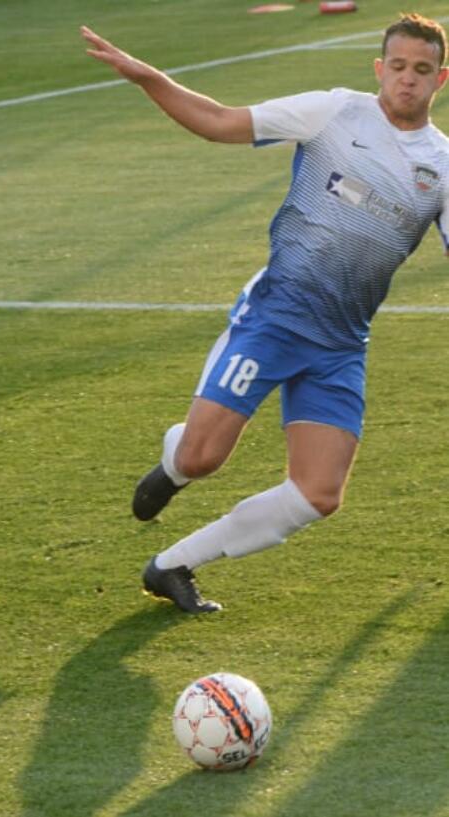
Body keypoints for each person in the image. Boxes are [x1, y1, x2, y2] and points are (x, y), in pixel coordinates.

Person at [82, 14, 449, 613]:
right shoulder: (333, 113)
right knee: (203, 458)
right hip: (276, 317)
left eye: (423, 71)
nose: (408, 80)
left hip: (340, 343)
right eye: (399, 67)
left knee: (319, 493)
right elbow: (222, 122)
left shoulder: (443, 166)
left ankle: (173, 565)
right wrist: (148, 77)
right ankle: (175, 463)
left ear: (442, 80)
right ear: (380, 69)